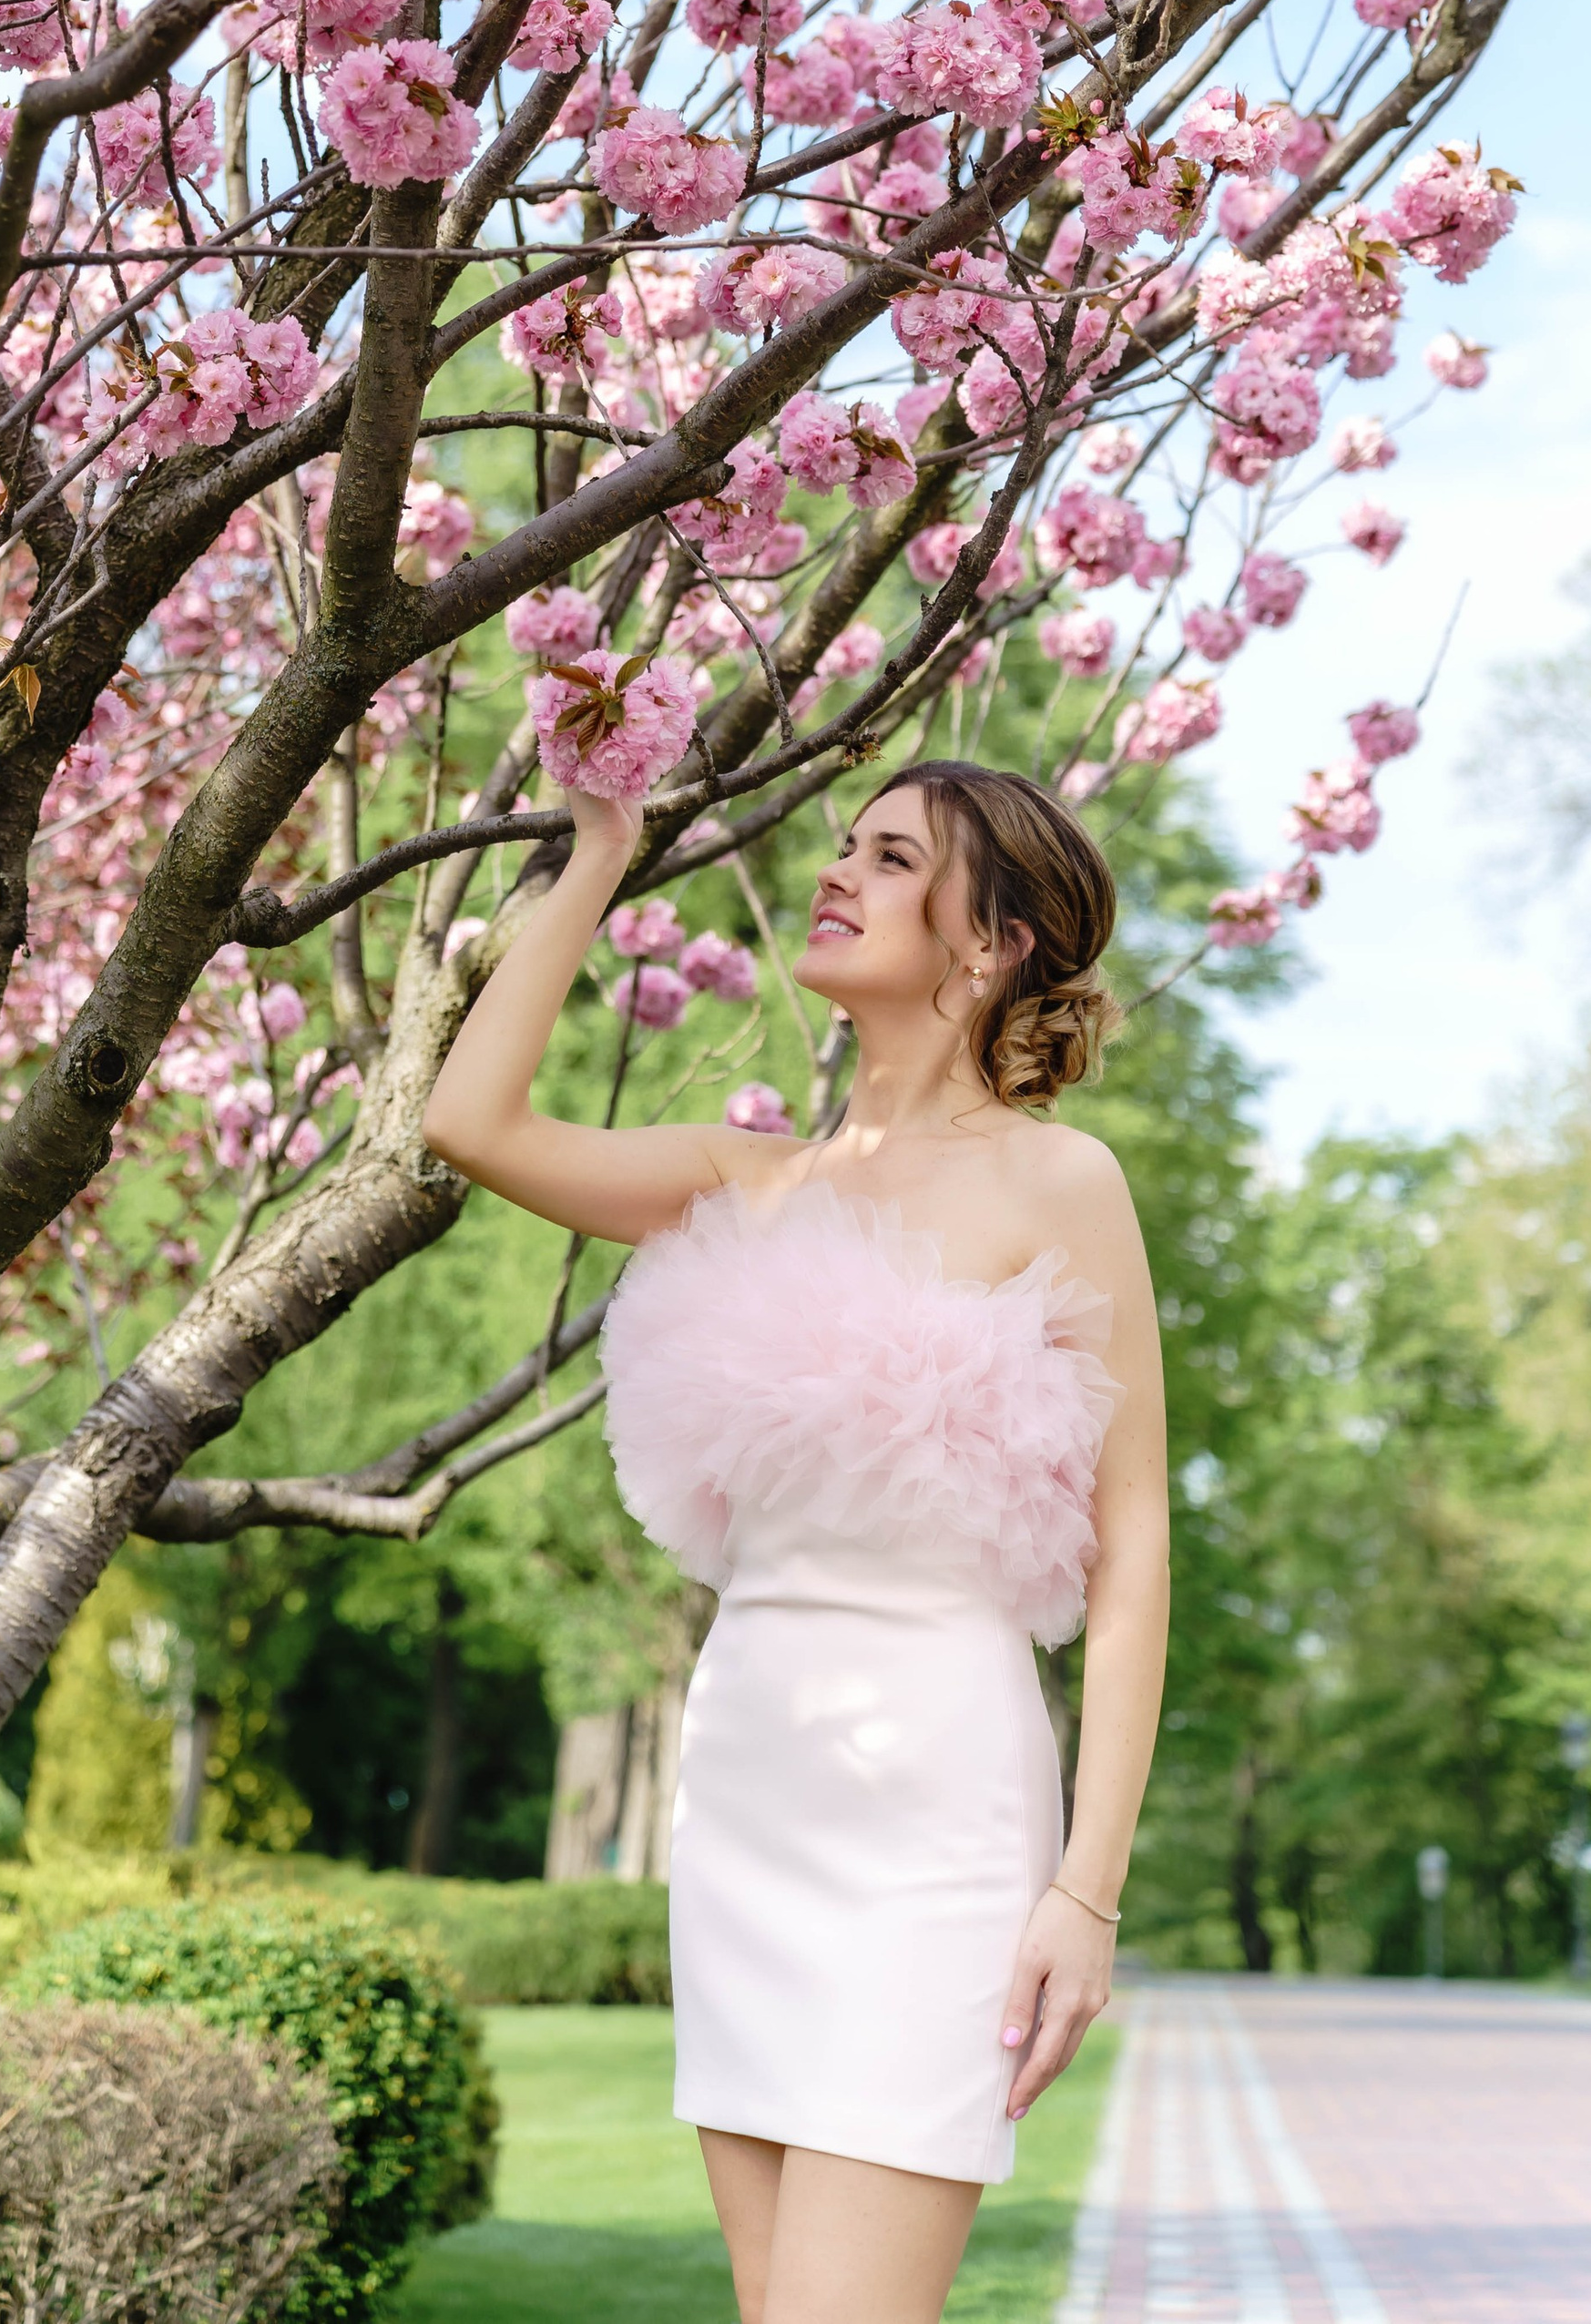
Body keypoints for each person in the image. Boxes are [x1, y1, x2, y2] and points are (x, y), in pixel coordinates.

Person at [423, 759, 1169, 2324]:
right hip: (750, 1804)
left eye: (891, 858)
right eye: (843, 845)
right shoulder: (744, 1180)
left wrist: (1086, 1893)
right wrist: (601, 852)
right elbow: (468, 1121)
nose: (836, 871)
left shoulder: (1062, 1181)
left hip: (939, 1820)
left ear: (992, 943)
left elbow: (1132, 1544)